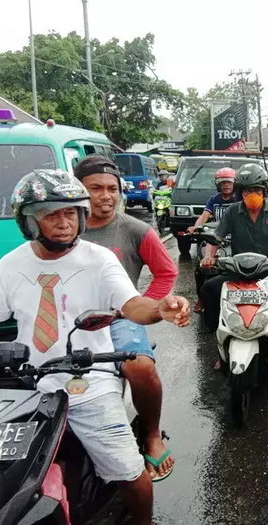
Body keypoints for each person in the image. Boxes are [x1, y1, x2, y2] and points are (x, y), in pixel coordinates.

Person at [0, 169, 190, 525]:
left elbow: (131, 305)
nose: (64, 222)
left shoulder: (99, 260)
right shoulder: (9, 266)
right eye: (51, 214)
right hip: (30, 385)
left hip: (89, 381)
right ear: (28, 221)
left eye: (71, 212)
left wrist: (160, 309)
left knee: (128, 471)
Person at [74, 155, 179, 482]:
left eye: (112, 188)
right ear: (77, 190)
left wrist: (145, 305)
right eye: (95, 188)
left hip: (119, 318)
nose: (106, 196)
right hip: (67, 318)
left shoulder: (135, 229)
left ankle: (151, 433)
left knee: (140, 366)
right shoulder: (60, 227)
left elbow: (167, 271)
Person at [200, 164, 268, 384]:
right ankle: (221, 346)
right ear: (241, 192)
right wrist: (209, 256)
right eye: (247, 191)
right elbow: (216, 239)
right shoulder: (233, 211)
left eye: (256, 190)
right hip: (238, 273)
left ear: (264, 191)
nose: (252, 195)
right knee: (209, 289)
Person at [187, 167, 240, 313]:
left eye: (229, 182)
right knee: (202, 267)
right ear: (218, 184)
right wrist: (196, 227)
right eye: (223, 182)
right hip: (216, 239)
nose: (226, 185)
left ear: (234, 183)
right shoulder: (214, 199)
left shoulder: (240, 199)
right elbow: (204, 216)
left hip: (237, 240)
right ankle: (202, 299)